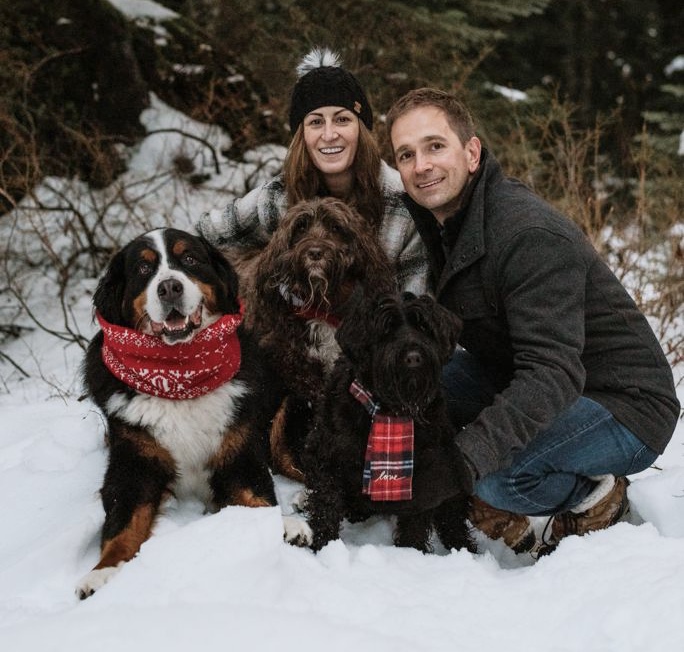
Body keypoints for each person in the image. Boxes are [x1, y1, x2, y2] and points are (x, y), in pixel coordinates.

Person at [385, 87, 681, 555]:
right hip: (530, 374)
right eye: (406, 154)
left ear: (472, 152)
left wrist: (464, 460)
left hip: (624, 404)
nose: (421, 165)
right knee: (416, 378)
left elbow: (553, 372)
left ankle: (596, 497)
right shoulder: (444, 224)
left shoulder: (527, 234)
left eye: (435, 146)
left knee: (498, 480)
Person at [196, 48, 428, 295]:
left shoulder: (402, 202)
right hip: (291, 318)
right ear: (302, 135)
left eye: (342, 119)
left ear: (361, 129)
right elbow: (204, 235)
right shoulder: (277, 196)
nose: (329, 134)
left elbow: (415, 300)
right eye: (316, 122)